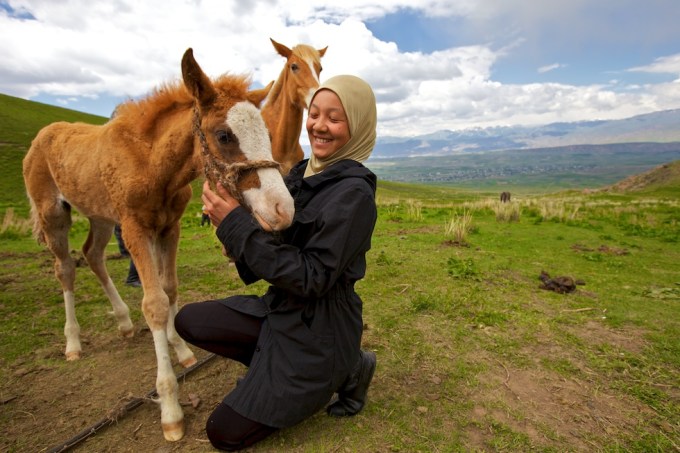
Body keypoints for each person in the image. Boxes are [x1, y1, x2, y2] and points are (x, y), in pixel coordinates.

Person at [174, 74, 378, 451]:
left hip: (321, 332)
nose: (319, 125)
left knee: (223, 433)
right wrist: (236, 229)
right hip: (282, 310)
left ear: (359, 124)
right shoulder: (303, 174)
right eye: (314, 113)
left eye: (335, 118)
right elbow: (282, 244)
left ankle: (348, 369)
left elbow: (312, 277)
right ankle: (272, 371)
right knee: (189, 320)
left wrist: (237, 228)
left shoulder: (354, 195)